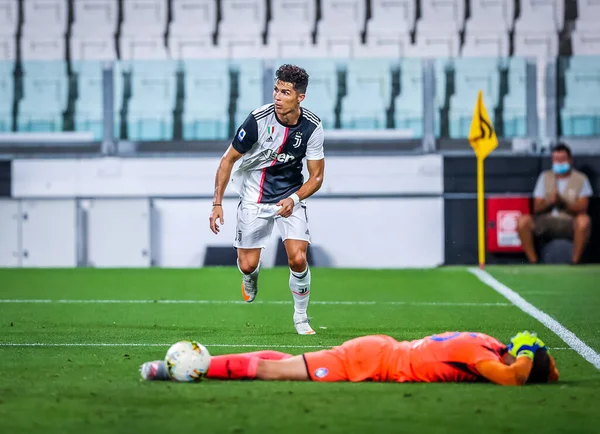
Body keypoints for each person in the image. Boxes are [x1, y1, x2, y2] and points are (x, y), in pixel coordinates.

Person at [209, 64, 325, 335]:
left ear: (300, 97)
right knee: (247, 264)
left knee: (297, 259)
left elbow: (317, 178)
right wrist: (217, 203)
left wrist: (294, 199)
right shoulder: (257, 120)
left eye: (285, 92)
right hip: (253, 199)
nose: (277, 96)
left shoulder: (313, 127)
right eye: (276, 89)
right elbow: (227, 161)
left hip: (289, 199)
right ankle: (250, 278)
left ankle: (301, 318)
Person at [140, 331, 559, 386]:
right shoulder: (480, 355)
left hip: (377, 351)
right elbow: (513, 379)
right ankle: (184, 368)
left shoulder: (483, 341)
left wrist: (526, 351)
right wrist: (527, 356)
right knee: (274, 371)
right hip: (370, 362)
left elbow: (522, 369)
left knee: (288, 361)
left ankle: (201, 364)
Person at [517, 143, 593, 264]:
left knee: (584, 221)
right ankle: (533, 262)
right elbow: (536, 208)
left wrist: (563, 203)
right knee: (522, 221)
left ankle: (575, 262)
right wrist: (550, 202)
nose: (559, 163)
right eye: (556, 160)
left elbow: (583, 207)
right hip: (547, 220)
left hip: (570, 221)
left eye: (562, 160)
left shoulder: (581, 179)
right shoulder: (545, 177)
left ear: (570, 160)